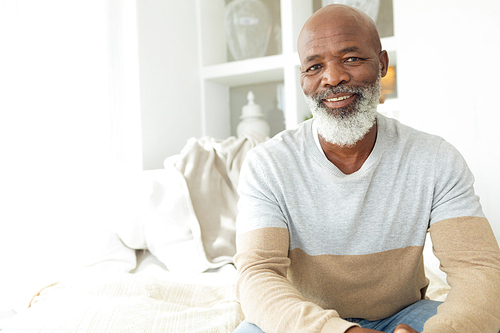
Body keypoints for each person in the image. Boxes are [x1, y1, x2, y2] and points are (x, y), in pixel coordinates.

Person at [232, 4, 500, 333]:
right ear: (303, 79)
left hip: (403, 317)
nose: (333, 77)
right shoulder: (268, 165)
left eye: (351, 59)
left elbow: (478, 269)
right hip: (304, 322)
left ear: (382, 64)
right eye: (315, 66)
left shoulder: (435, 159)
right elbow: (257, 274)